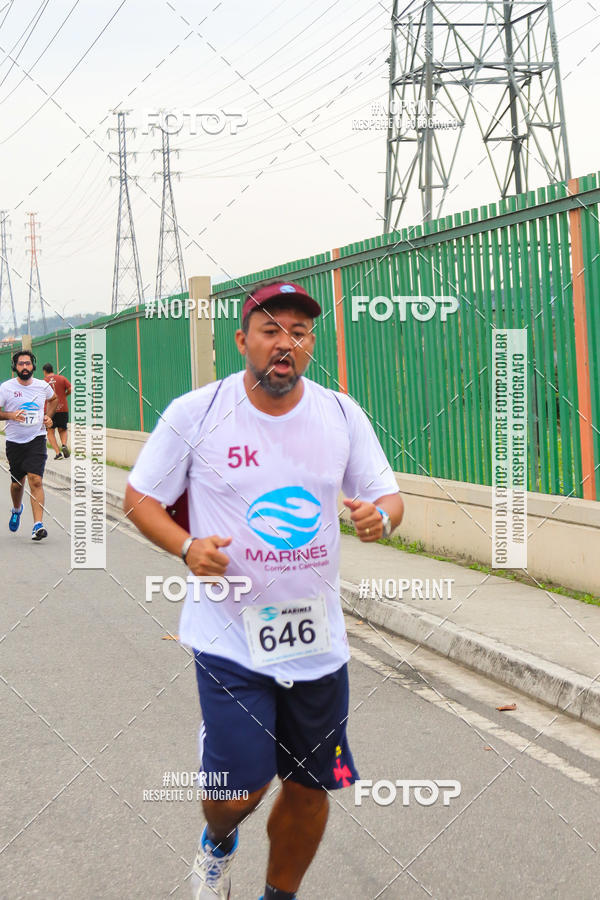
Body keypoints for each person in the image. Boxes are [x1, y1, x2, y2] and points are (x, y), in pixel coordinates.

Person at [124, 281, 404, 900]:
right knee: (238, 791)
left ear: (310, 344)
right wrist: (185, 546)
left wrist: (381, 517)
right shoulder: (197, 413)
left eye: (299, 333)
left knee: (313, 787)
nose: (286, 343)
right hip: (228, 638)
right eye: (271, 329)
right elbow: (140, 499)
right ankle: (218, 844)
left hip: (316, 643)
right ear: (243, 339)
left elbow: (388, 495)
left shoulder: (339, 414)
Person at [0, 350, 57, 540]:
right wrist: (10, 415)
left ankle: (37, 525)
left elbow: (54, 399)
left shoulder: (42, 386)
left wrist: (49, 416)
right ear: (15, 367)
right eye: (20, 364)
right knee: (17, 484)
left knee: (36, 480)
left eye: (28, 363)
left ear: (33, 365)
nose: (25, 367)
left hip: (36, 439)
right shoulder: (6, 388)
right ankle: (17, 509)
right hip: (15, 442)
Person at [42, 363, 72, 459]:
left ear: (44, 371)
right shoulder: (62, 378)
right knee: (62, 429)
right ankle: (63, 444)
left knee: (50, 431)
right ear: (52, 369)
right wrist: (65, 395)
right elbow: (71, 389)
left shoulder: (44, 382)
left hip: (50, 410)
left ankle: (58, 453)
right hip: (63, 408)